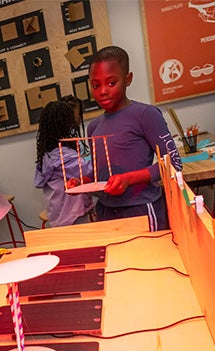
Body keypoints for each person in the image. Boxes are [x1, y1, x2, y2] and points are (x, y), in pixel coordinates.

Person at [87, 45, 183, 231]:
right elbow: (101, 171)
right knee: (114, 260)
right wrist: (83, 180)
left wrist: (129, 179)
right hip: (105, 212)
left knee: (149, 259)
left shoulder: (146, 114)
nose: (103, 91)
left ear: (127, 79)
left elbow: (174, 164)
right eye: (96, 85)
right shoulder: (93, 126)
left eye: (111, 83)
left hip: (141, 209)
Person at [34, 101, 95, 227]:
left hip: (60, 215)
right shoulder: (61, 156)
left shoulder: (48, 153)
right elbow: (88, 170)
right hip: (72, 218)